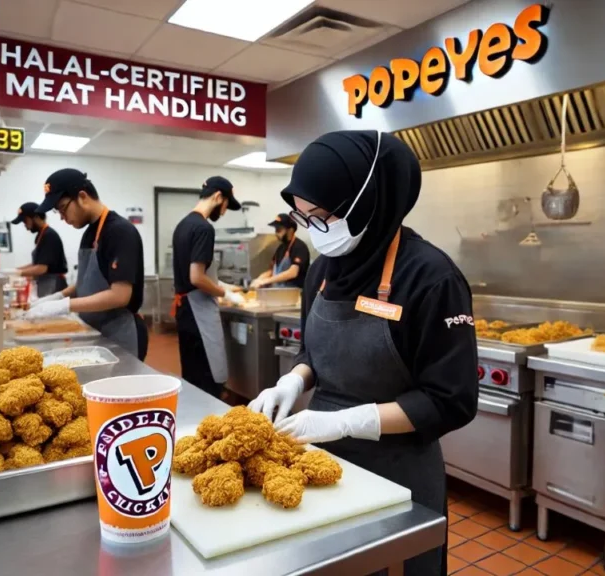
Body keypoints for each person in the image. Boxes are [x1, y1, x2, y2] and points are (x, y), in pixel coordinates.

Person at [248, 130, 479, 576]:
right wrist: (293, 380)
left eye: (322, 217)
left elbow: (451, 399)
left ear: (366, 202)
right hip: (321, 461)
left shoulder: (431, 277)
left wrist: (347, 422)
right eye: (303, 217)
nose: (314, 231)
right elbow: (313, 349)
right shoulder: (322, 269)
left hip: (398, 473)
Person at [27, 169, 149, 360]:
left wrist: (64, 306)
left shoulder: (119, 231)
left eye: (62, 208)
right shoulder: (89, 232)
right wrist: (55, 297)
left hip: (121, 332)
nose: (62, 217)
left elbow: (120, 295)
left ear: (82, 197)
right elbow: (87, 281)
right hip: (96, 329)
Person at [171, 176, 245, 398]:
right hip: (198, 313)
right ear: (218, 196)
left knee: (192, 373)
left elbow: (194, 272)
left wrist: (226, 286)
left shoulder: (183, 225)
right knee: (208, 377)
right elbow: (196, 277)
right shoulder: (204, 228)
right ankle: (210, 424)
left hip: (185, 310)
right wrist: (226, 294)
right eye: (224, 206)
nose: (223, 212)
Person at [10, 201, 68, 297]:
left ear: (36, 217)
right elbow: (37, 264)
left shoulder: (49, 235)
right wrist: (14, 270)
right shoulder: (41, 235)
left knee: (48, 310)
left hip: (53, 285)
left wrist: (17, 273)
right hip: (46, 283)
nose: (25, 226)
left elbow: (41, 268)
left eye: (25, 221)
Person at [250, 213, 310, 289]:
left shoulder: (299, 247)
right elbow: (271, 271)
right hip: (280, 292)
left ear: (290, 230)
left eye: (279, 230)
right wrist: (259, 279)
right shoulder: (280, 248)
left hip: (295, 294)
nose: (276, 233)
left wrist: (267, 281)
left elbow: (293, 272)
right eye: (275, 230)